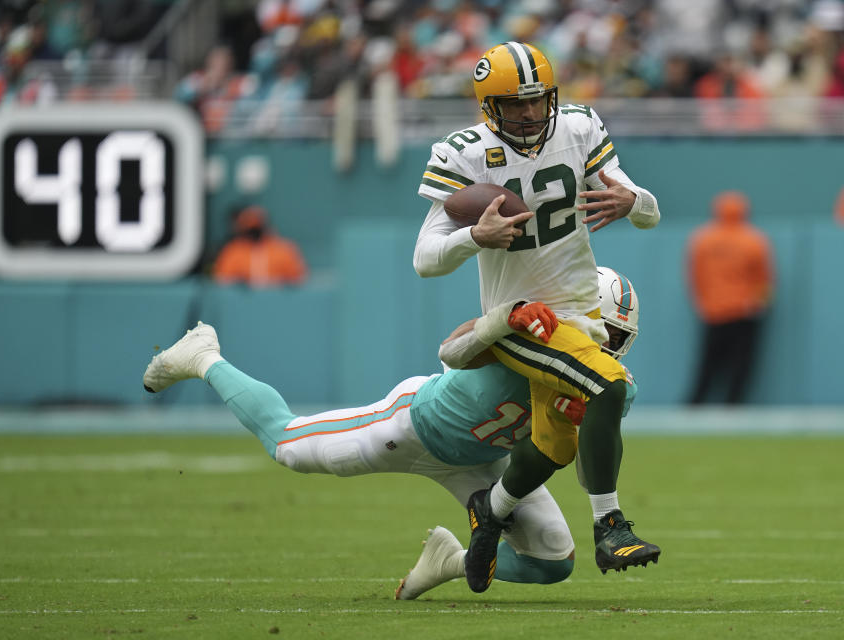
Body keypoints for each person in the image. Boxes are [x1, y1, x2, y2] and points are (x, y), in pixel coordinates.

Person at [142, 267, 643, 600]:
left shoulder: (609, 387)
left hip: (488, 467)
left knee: (553, 560)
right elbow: (452, 348)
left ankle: (448, 561)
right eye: (606, 332)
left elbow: (575, 459)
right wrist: (501, 320)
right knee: (287, 446)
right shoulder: (533, 330)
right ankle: (203, 354)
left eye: (619, 339)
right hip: (412, 426)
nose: (610, 346)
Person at [412, 41, 661, 592]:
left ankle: (491, 509)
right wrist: (474, 237)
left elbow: (648, 209)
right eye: (513, 104)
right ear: (487, 106)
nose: (528, 113)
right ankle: (609, 525)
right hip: (519, 317)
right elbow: (425, 259)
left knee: (557, 442)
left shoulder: (579, 128)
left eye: (536, 101)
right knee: (609, 387)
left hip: (580, 312)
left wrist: (631, 202)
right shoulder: (463, 152)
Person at [687, 191, 774, 405]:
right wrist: (760, 304)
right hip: (744, 312)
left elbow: (695, 276)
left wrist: (703, 303)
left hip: (712, 311)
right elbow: (764, 279)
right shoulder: (754, 240)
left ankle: (695, 405)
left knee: (708, 364)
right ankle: (733, 405)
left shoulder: (703, 240)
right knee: (741, 365)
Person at [212, 205, 308, 287]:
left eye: (257, 227)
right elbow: (223, 280)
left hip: (278, 302)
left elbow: (298, 279)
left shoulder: (283, 249)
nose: (254, 232)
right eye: (250, 228)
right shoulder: (233, 251)